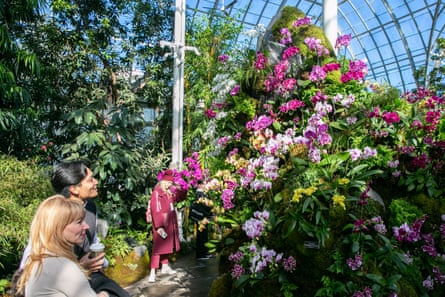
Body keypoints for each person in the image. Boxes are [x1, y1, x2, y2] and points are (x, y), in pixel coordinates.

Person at [18, 160, 130, 297]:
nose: (96, 182)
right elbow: (31, 261)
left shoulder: (90, 208)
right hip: (64, 276)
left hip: (86, 274)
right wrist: (78, 267)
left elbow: (93, 240)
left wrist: (100, 261)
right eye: (90, 180)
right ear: (74, 189)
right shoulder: (55, 214)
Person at [16, 195, 110, 297]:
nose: (86, 226)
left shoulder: (37, 260)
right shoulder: (63, 267)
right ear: (58, 227)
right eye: (79, 222)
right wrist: (104, 294)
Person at [146, 169, 187, 282]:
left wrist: (181, 189)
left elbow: (179, 198)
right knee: (158, 248)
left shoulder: (168, 192)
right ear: (163, 182)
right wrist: (159, 226)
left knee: (167, 245)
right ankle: (152, 272)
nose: (170, 184)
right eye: (168, 183)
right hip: (161, 224)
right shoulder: (157, 193)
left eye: (171, 183)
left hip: (169, 222)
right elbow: (156, 209)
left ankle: (164, 266)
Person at [189, 188, 213, 260]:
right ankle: (200, 255)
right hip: (200, 223)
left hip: (204, 222)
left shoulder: (201, 203)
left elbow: (207, 211)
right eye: (201, 196)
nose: (202, 197)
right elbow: (195, 214)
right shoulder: (195, 204)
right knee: (201, 238)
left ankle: (204, 253)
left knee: (204, 238)